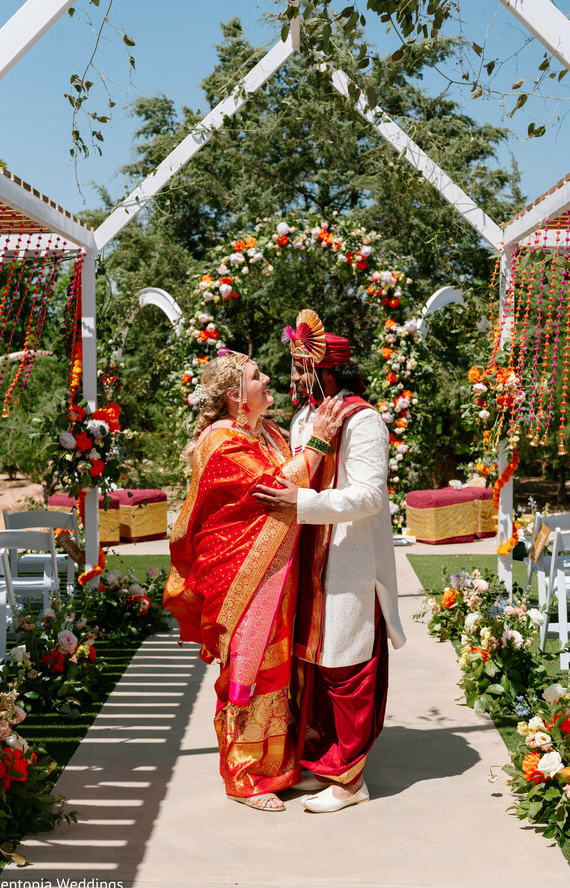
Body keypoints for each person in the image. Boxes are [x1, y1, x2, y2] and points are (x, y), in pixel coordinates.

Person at [163, 349, 342, 812]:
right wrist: (319, 441)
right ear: (234, 395)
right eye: (256, 375)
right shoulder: (222, 441)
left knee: (276, 663)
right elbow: (275, 488)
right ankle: (243, 775)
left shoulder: (267, 433)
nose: (267, 379)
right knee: (248, 666)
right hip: (237, 571)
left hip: (272, 568)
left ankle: (277, 767)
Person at [254, 323, 406, 813]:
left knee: (347, 666)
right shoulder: (305, 418)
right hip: (304, 557)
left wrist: (300, 502)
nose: (294, 376)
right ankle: (321, 764)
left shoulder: (363, 421)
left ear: (326, 369)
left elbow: (369, 496)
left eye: (301, 368)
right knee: (310, 663)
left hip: (347, 560)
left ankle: (351, 778)